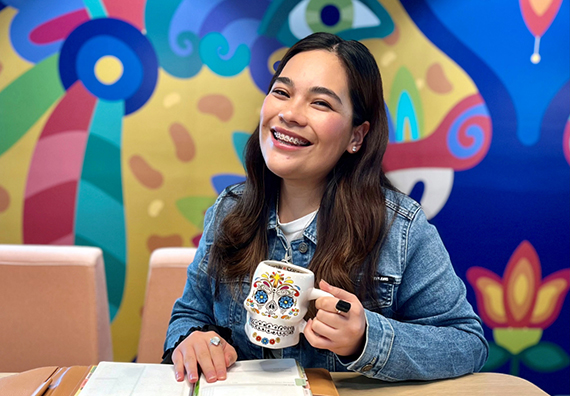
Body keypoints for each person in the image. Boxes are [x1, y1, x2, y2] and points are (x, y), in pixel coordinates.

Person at [163, 32, 488, 384]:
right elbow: (189, 313)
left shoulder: (399, 227)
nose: (289, 113)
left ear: (356, 136)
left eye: (320, 103)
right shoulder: (229, 210)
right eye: (282, 92)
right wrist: (191, 339)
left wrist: (365, 339)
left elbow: (467, 342)